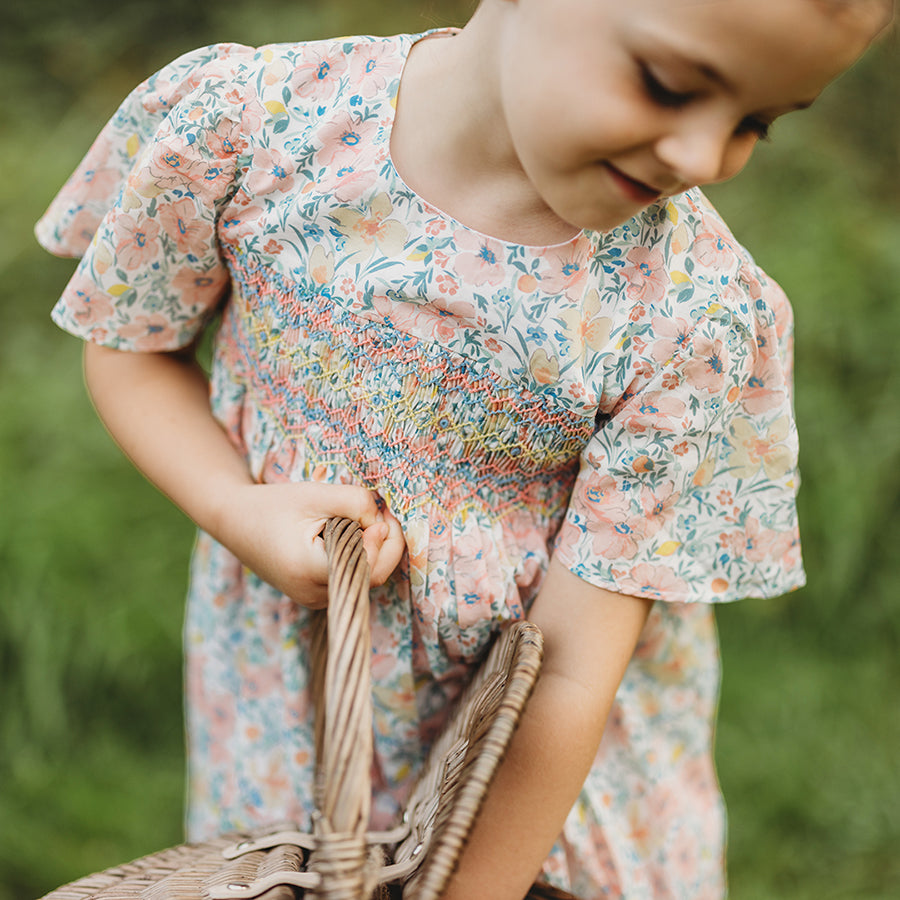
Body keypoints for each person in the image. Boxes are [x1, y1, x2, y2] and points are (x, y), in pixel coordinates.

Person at [36, 0, 891, 897]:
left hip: (537, 793)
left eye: (754, 122)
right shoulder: (254, 127)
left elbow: (564, 671)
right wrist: (234, 506)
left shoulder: (693, 319)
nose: (700, 157)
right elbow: (132, 347)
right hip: (295, 721)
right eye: (669, 85)